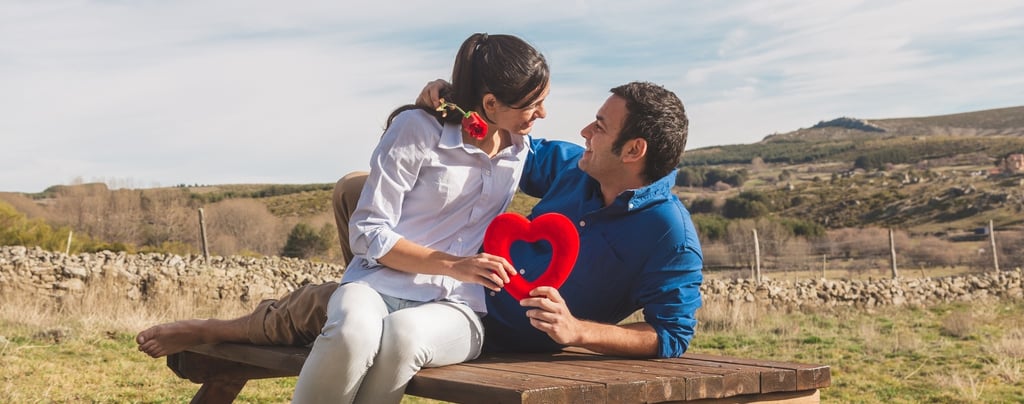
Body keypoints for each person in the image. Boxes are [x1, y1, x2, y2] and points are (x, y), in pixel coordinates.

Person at [138, 80, 701, 382]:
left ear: (634, 151)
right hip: (451, 277)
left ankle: (221, 326)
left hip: (478, 320)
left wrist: (579, 332)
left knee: (325, 307)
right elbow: (492, 140)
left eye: (599, 127)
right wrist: (449, 102)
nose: (584, 130)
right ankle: (368, 289)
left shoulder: (667, 234)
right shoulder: (575, 169)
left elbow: (672, 336)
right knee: (354, 190)